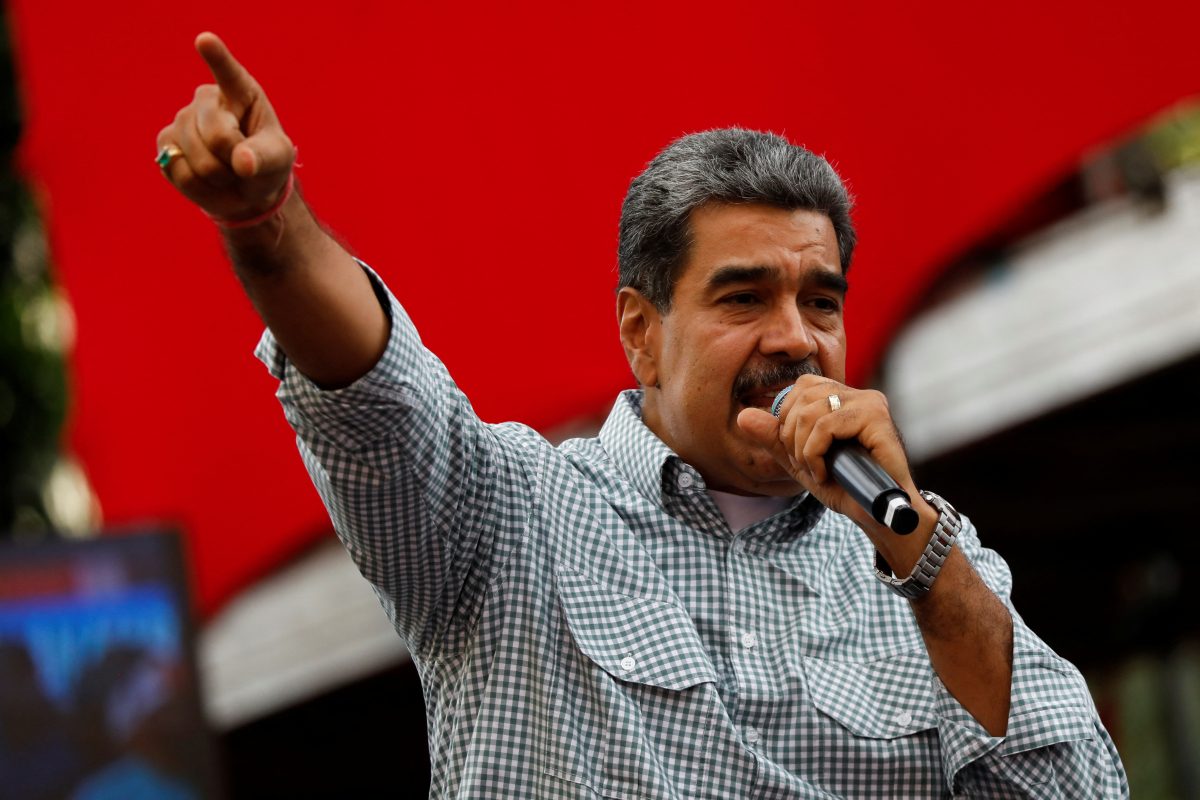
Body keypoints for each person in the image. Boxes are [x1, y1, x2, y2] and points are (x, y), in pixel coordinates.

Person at [157, 32, 1128, 798]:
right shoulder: (507, 517)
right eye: (744, 298)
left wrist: (922, 557)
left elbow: (1077, 785)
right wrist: (267, 222)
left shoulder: (926, 571)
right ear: (642, 332)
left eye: (821, 300)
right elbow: (374, 391)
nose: (796, 337)